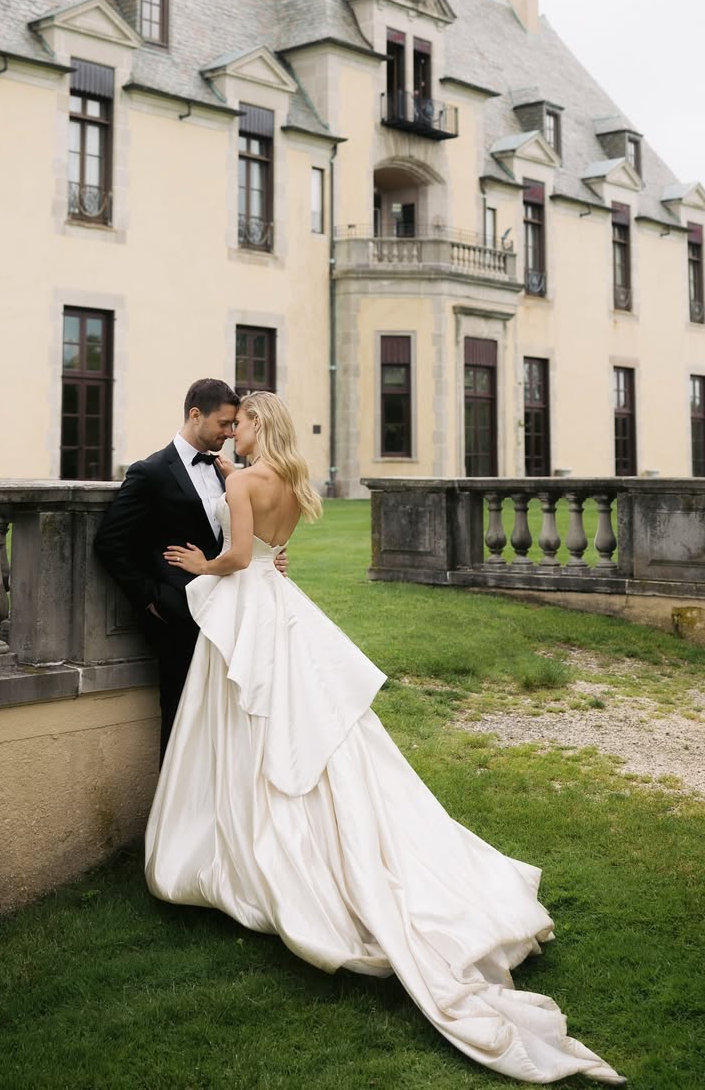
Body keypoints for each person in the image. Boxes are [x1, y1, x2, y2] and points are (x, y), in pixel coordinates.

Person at [145, 391, 625, 1085]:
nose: (232, 431)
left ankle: (247, 845)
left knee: (255, 721)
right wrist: (232, 487)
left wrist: (201, 564)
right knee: (303, 723)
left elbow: (241, 554)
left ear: (258, 426)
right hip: (280, 604)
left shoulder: (246, 482)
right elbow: (275, 552)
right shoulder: (287, 481)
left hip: (249, 603)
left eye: (240, 422)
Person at [94, 378, 285, 757]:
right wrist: (152, 600)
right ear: (195, 415)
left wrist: (268, 554)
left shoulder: (228, 472)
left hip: (231, 612)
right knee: (181, 715)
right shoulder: (150, 472)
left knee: (229, 718)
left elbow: (242, 535)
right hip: (179, 616)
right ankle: (173, 796)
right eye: (224, 424)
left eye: (235, 425)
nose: (230, 433)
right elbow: (110, 542)